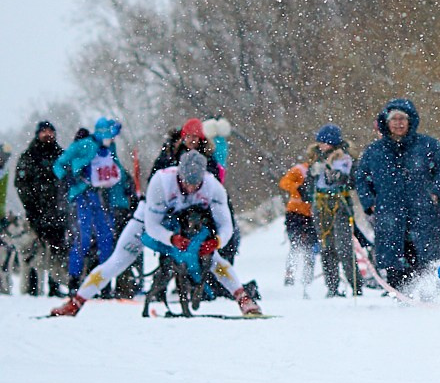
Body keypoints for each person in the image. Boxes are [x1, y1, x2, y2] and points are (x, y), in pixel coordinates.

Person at [52, 150, 261, 317]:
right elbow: (152, 227)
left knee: (214, 259)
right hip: (146, 223)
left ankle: (244, 300)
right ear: (178, 173)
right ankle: (75, 303)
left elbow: (227, 226)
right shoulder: (161, 181)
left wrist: (217, 241)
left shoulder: (214, 187)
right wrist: (172, 239)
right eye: (185, 182)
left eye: (195, 184)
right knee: (117, 262)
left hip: (180, 226)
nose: (189, 188)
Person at [354, 98, 440, 290]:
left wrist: (436, 193)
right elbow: (361, 179)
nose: (398, 123)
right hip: (390, 212)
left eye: (403, 118)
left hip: (424, 212)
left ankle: (425, 294)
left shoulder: (428, 146)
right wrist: (370, 203)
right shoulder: (374, 151)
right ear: (386, 122)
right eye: (394, 119)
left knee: (423, 258)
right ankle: (399, 296)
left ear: (410, 121)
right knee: (394, 260)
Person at [53, 118, 127, 293]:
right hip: (83, 196)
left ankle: (104, 283)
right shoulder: (83, 145)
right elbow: (60, 164)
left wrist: (122, 199)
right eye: (109, 136)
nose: (111, 140)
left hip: (103, 197)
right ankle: (74, 280)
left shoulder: (110, 148)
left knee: (106, 238)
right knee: (82, 238)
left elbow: (117, 172)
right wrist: (68, 176)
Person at [14, 121, 69, 296]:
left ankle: (55, 285)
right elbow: (21, 184)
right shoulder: (29, 156)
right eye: (44, 131)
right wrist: (31, 207)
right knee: (33, 253)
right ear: (38, 134)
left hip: (57, 212)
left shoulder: (61, 155)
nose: (47, 134)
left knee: (57, 253)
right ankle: (31, 288)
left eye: (50, 131)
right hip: (35, 212)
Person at [309, 125, 363, 296]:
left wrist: (328, 171)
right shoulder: (315, 159)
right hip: (320, 206)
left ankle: (355, 285)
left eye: (324, 142)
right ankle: (332, 287)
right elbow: (308, 185)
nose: (321, 145)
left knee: (344, 248)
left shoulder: (344, 158)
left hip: (340, 206)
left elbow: (342, 179)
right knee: (326, 247)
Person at [278, 153, 318, 288]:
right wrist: (297, 187)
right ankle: (290, 275)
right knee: (295, 244)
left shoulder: (323, 171)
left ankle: (308, 276)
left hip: (311, 215)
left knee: (310, 247)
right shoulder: (300, 170)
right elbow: (284, 182)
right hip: (295, 214)